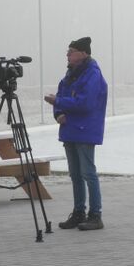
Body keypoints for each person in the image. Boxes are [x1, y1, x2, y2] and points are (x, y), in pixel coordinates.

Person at [44, 36, 108, 231]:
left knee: (88, 173)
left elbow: (85, 103)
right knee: (75, 175)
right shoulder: (70, 74)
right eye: (68, 51)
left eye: (71, 51)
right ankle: (79, 212)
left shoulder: (92, 75)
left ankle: (95, 215)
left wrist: (58, 103)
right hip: (70, 129)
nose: (68, 54)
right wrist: (59, 113)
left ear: (83, 53)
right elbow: (61, 95)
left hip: (85, 129)